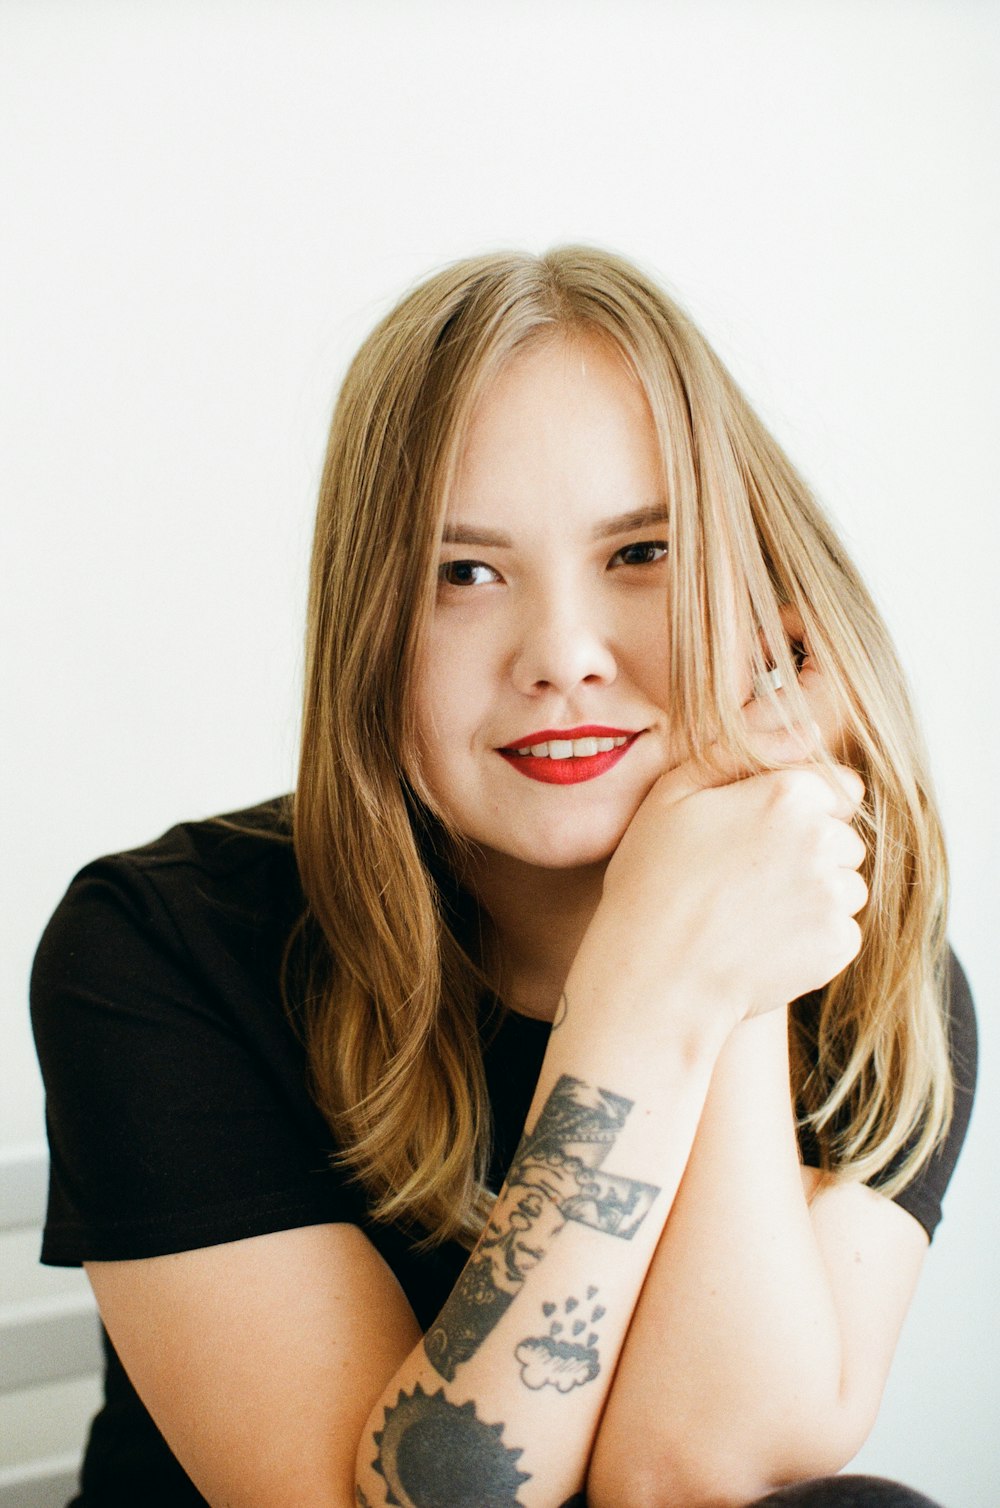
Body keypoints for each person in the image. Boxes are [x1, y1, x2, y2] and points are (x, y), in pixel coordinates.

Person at [31, 247, 977, 1508]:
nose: (562, 654)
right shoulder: (158, 943)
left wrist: (731, 970)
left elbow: (697, 1473)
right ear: (369, 626)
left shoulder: (864, 961)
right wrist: (643, 1000)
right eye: (461, 572)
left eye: (641, 551)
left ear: (769, 603)